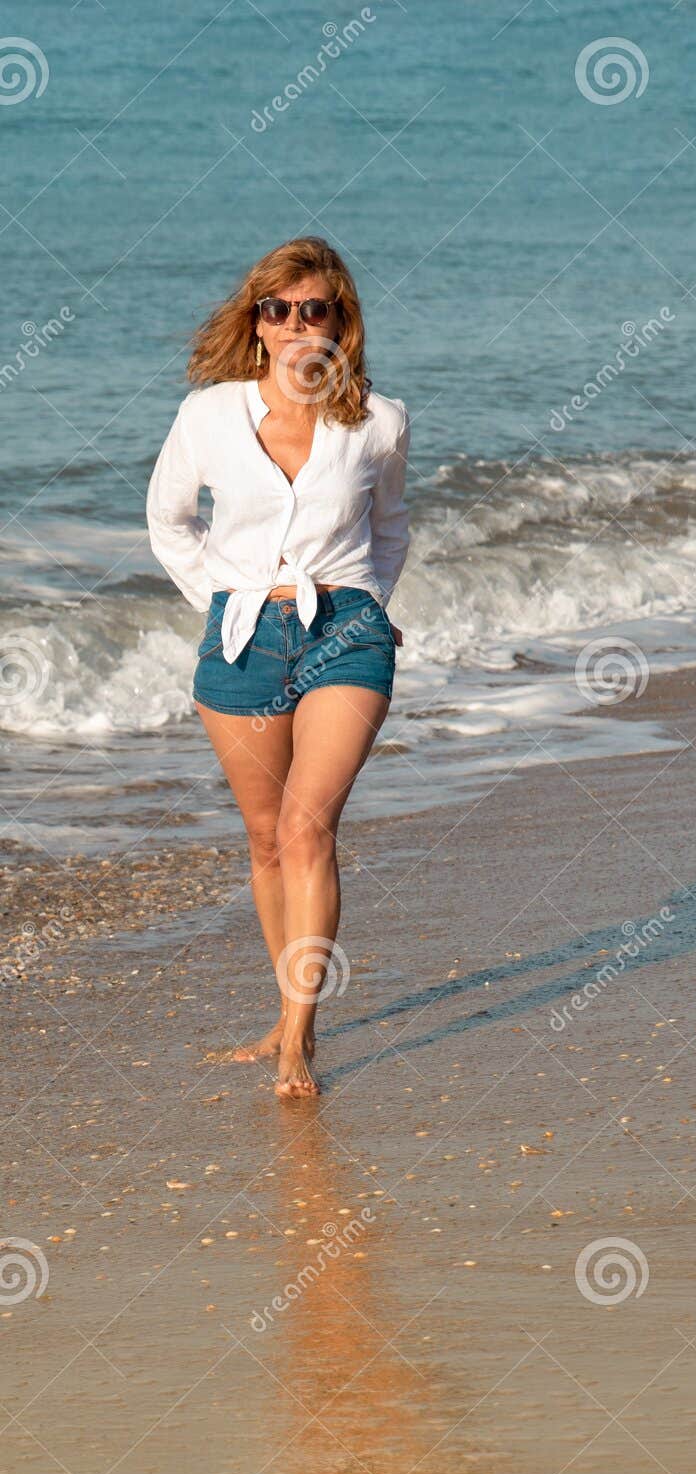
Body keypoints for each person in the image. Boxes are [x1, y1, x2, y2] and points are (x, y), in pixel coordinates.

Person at [146, 237, 411, 1099]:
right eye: (278, 309)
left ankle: (298, 1038)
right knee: (265, 840)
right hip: (241, 634)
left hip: (346, 633)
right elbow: (169, 520)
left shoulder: (380, 421)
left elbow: (391, 529)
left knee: (307, 829)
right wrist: (223, 604)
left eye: (316, 309)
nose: (296, 324)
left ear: (342, 323)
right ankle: (284, 1009)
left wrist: (365, 606)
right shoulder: (208, 416)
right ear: (257, 323)